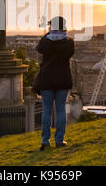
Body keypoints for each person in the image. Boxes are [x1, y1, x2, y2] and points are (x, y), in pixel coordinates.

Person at [34, 16, 74, 150]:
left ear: (52, 27)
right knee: (61, 110)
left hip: (47, 78)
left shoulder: (45, 41)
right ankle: (59, 140)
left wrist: (48, 33)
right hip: (63, 78)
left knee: (46, 111)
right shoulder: (69, 42)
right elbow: (70, 54)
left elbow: (39, 49)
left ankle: (45, 141)